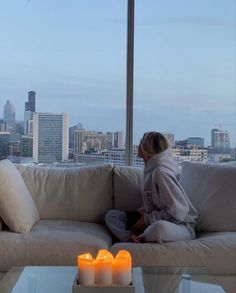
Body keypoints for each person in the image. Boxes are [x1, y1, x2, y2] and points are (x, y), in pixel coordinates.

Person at [105, 131, 198, 243]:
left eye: (140, 144)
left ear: (145, 149)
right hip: (152, 220)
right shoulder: (150, 170)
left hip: (180, 226)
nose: (138, 148)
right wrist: (144, 214)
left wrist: (147, 219)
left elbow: (179, 212)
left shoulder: (161, 173)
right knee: (112, 216)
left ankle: (140, 237)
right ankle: (131, 238)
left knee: (159, 229)